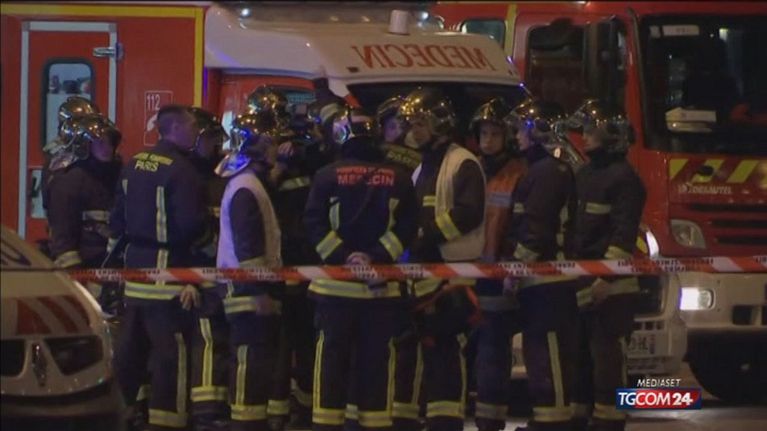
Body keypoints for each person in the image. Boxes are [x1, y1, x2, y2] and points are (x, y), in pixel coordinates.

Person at [303, 105, 418, 431]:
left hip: (334, 291)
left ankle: (327, 426)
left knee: (331, 365)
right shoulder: (399, 178)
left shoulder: (326, 176)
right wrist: (375, 258)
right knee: (376, 366)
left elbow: (313, 223)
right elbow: (408, 228)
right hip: (380, 293)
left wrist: (344, 257)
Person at [110, 104, 208, 431]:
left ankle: (119, 414)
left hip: (134, 272)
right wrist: (195, 274)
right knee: (171, 354)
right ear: (175, 129)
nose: (196, 132)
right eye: (192, 126)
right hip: (168, 274)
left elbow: (117, 220)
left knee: (130, 353)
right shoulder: (183, 171)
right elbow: (192, 227)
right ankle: (168, 421)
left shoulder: (133, 164)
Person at [396, 87, 486, 431]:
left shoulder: (462, 162)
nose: (413, 131)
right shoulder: (422, 167)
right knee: (419, 348)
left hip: (453, 275)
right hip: (422, 274)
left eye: (420, 124)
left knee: (447, 348)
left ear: (440, 124)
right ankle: (414, 416)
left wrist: (426, 234)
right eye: (412, 124)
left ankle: (446, 420)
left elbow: (468, 213)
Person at [566, 100, 645, 431]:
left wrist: (605, 279)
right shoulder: (585, 174)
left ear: (611, 135)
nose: (584, 135)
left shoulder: (625, 179)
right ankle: (579, 416)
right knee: (581, 357)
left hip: (611, 288)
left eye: (591, 130)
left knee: (607, 358)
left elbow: (623, 234)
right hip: (583, 282)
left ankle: (610, 420)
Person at [502, 99, 578, 431]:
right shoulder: (542, 170)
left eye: (521, 130)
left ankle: (554, 422)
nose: (517, 136)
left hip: (548, 280)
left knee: (549, 351)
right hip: (542, 280)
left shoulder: (547, 172)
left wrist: (516, 268)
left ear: (538, 133)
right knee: (539, 351)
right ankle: (546, 418)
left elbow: (536, 228)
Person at [215, 111, 283, 431]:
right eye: (272, 144)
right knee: (248, 359)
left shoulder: (251, 184)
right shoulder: (246, 188)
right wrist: (258, 292)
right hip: (245, 289)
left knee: (256, 359)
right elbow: (248, 247)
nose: (277, 150)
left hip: (248, 286)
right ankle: (245, 423)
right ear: (258, 147)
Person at [469, 98, 527, 431]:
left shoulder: (518, 173)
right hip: (465, 273)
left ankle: (490, 420)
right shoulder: (471, 167)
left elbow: (518, 225)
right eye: (484, 134)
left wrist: (510, 265)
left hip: (498, 275)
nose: (488, 141)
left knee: (493, 349)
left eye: (494, 134)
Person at [187, 107, 232, 431]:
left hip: (224, 274)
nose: (216, 145)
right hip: (197, 276)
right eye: (210, 139)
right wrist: (186, 278)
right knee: (207, 341)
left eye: (218, 138)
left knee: (222, 341)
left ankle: (218, 406)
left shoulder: (222, 177)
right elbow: (184, 234)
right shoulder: (187, 179)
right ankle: (205, 412)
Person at [46, 113, 122, 270]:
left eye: (110, 142)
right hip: (86, 265)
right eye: (100, 142)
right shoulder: (70, 182)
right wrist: (75, 274)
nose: (107, 148)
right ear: (84, 145)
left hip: (113, 261)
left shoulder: (119, 175)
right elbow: (63, 240)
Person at [376, 95, 422, 175]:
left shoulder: (421, 160)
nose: (399, 132)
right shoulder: (376, 158)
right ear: (381, 130)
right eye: (392, 128)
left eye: (403, 127)